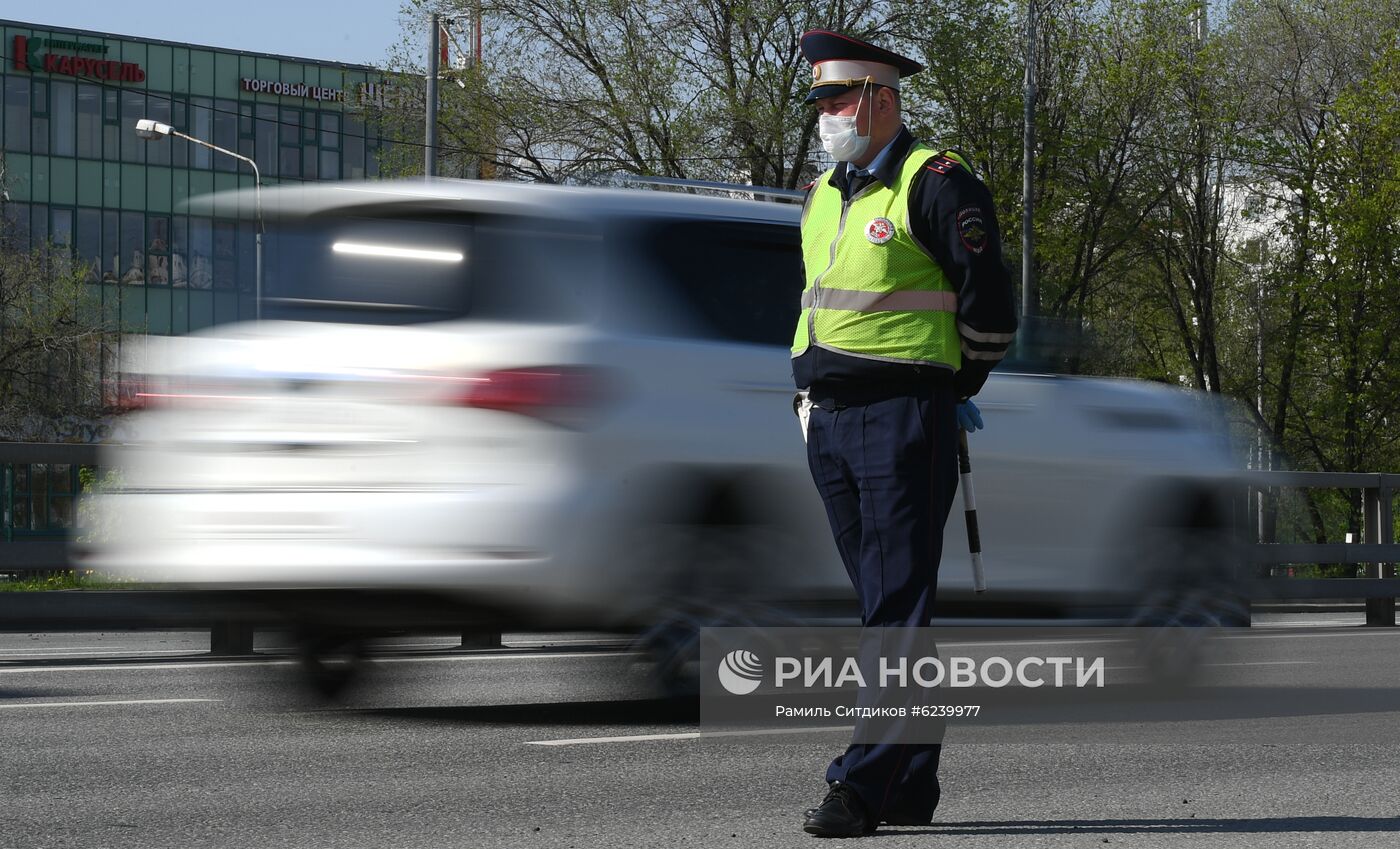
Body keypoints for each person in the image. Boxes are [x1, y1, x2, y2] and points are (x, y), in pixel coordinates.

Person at [792, 29, 1018, 838]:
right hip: (830, 422)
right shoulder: (825, 193)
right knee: (886, 606)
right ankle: (910, 781)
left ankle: (859, 786)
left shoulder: (937, 183)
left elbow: (989, 309)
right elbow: (817, 303)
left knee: (894, 608)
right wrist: (804, 400)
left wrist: (952, 388)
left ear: (884, 100)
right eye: (819, 101)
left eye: (838, 99)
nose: (826, 115)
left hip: (902, 420)